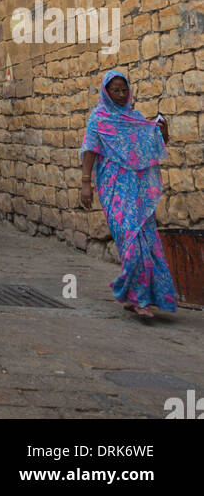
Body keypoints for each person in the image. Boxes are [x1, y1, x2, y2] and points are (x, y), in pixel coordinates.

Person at [80, 69, 177, 319]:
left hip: (137, 189)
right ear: (106, 92)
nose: (121, 94)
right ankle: (135, 296)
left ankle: (139, 297)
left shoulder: (134, 118)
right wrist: (85, 183)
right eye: (116, 90)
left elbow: (150, 147)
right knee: (128, 238)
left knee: (146, 239)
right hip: (113, 188)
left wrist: (161, 133)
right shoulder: (98, 119)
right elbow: (90, 150)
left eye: (124, 89)